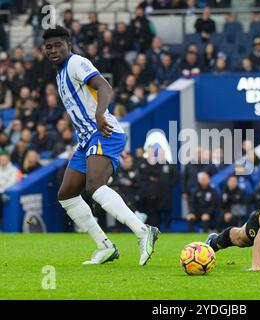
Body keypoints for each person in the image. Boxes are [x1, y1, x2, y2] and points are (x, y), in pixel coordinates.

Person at [42, 26, 159, 266]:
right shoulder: (60, 73)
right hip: (86, 139)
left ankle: (143, 230)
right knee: (66, 194)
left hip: (104, 131)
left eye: (57, 45)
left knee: (94, 186)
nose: (53, 50)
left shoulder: (76, 63)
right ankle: (104, 246)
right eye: (48, 46)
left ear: (69, 45)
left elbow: (104, 87)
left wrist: (99, 114)